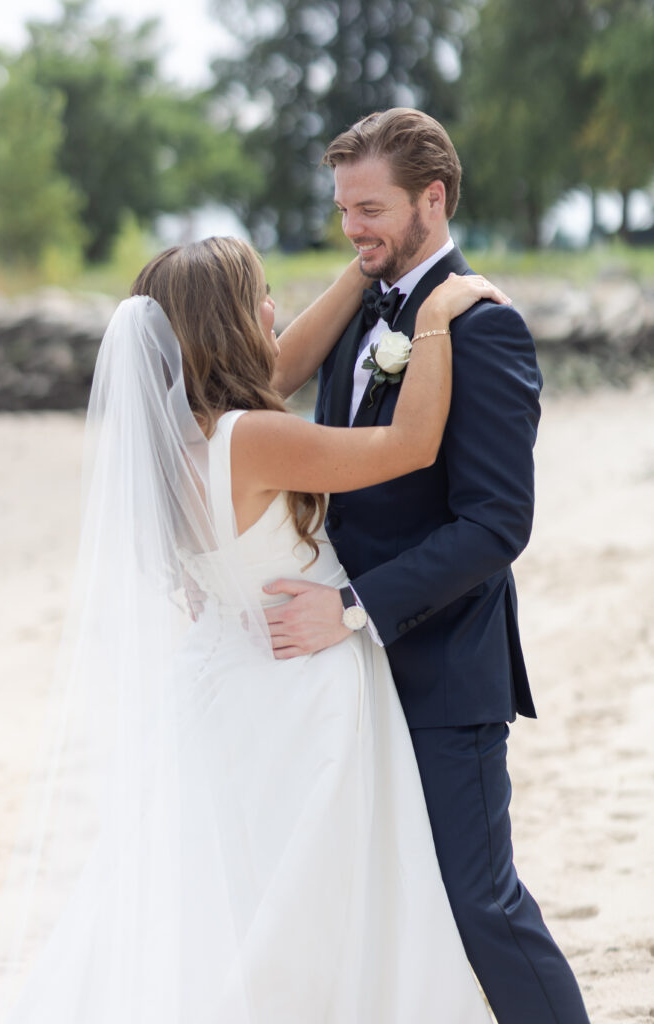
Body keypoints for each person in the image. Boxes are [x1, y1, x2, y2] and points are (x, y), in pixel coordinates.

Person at [0, 236, 508, 1024]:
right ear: (226, 321)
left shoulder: (167, 445)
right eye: (258, 295)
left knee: (231, 900)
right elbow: (410, 444)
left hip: (222, 685)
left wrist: (361, 271)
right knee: (311, 914)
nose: (273, 308)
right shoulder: (252, 439)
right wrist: (434, 314)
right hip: (302, 685)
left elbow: (279, 367)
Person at [265, 109, 591, 1024]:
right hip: (349, 679)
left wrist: (353, 608)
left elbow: (496, 524)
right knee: (382, 906)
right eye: (341, 208)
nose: (351, 226)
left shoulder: (483, 326)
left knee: (478, 906)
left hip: (443, 669)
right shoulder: (365, 308)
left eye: (369, 206)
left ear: (432, 199)